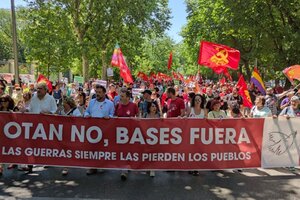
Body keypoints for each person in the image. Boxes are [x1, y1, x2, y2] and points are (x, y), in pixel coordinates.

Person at [84, 84, 114, 175]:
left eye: (100, 92)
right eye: (96, 92)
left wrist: (109, 117)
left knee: (102, 148)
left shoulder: (110, 104)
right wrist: (86, 115)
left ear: (104, 93)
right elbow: (87, 111)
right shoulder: (92, 102)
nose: (97, 94)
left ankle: (101, 165)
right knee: (92, 148)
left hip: (104, 129)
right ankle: (92, 167)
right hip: (92, 129)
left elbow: (112, 115)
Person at [114, 90, 139, 181]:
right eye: (120, 96)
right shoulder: (118, 105)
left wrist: (135, 119)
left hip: (131, 132)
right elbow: (115, 116)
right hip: (120, 133)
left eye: (123, 96)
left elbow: (138, 116)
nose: (121, 98)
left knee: (128, 150)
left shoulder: (133, 106)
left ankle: (126, 167)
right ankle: (124, 168)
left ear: (128, 97)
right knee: (122, 150)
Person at [61, 96, 82, 176]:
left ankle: (68, 165)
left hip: (73, 133)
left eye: (65, 103)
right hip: (63, 133)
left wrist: (73, 119)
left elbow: (80, 119)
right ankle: (65, 166)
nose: (63, 104)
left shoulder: (75, 110)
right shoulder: (62, 111)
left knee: (71, 149)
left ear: (69, 104)